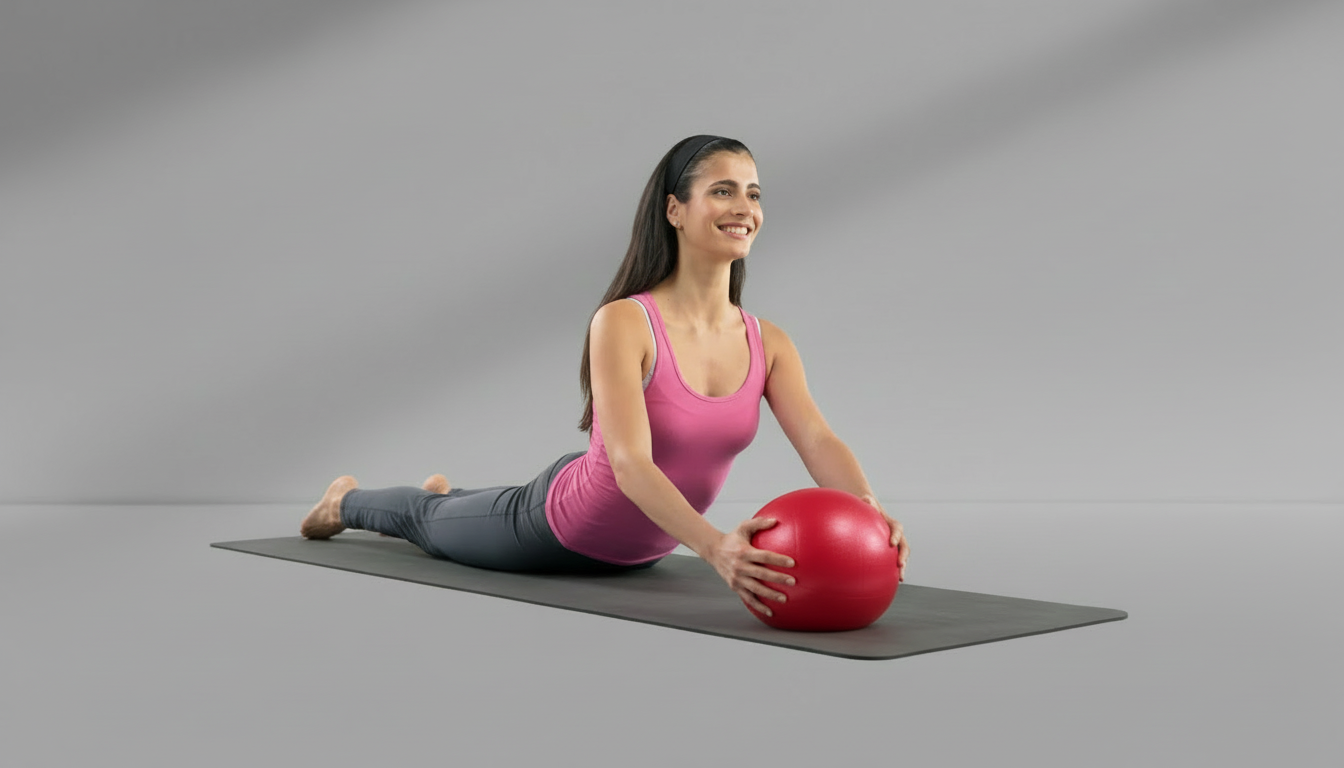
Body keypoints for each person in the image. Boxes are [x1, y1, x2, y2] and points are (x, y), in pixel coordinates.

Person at [300, 134, 911, 618]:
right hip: (555, 528)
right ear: (675, 209)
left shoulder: (768, 342)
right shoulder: (625, 322)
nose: (744, 209)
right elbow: (628, 464)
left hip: (643, 549)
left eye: (754, 193)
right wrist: (714, 546)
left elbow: (819, 440)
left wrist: (869, 512)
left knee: (455, 511)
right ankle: (343, 500)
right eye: (723, 191)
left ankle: (449, 499)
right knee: (427, 525)